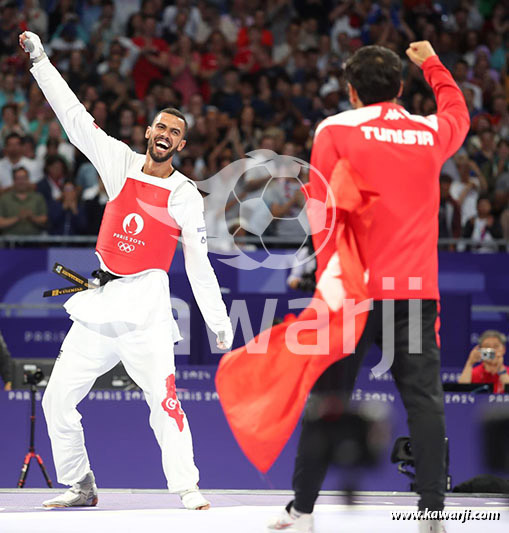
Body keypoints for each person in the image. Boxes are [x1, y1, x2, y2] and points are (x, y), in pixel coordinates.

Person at [19, 30, 233, 511]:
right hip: (99, 306)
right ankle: (80, 484)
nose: (165, 136)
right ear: (148, 131)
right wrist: (41, 62)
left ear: (182, 143)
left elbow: (199, 266)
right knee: (57, 402)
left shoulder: (184, 196)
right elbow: (77, 122)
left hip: (147, 313)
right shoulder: (121, 163)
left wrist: (218, 323)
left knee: (165, 403)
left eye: (175, 133)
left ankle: (186, 487)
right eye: (160, 127)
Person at [268, 41, 469, 533]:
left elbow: (321, 211)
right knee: (424, 401)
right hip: (414, 296)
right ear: (401, 89)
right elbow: (458, 113)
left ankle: (304, 511)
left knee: (329, 399)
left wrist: (331, 282)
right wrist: (433, 64)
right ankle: (432, 516)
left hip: (352, 295)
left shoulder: (334, 129)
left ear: (352, 92)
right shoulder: (428, 131)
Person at [0, 166, 47, 235]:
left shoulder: (38, 198)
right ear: (13, 180)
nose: (21, 182)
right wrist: (17, 218)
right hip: (9, 243)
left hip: (34, 243)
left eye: (24, 178)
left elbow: (44, 220)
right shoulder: (4, 199)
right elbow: (1, 223)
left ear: (28, 180)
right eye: (18, 179)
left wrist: (32, 217)